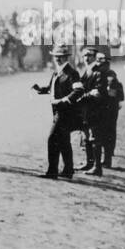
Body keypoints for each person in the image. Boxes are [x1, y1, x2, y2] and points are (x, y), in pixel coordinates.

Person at [33, 45, 82, 179]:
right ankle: (68, 170)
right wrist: (40, 90)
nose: (58, 59)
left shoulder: (72, 73)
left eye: (60, 57)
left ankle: (52, 171)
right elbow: (51, 88)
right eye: (56, 57)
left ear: (66, 57)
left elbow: (79, 90)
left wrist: (64, 100)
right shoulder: (57, 72)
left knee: (53, 139)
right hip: (57, 112)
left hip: (65, 113)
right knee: (63, 141)